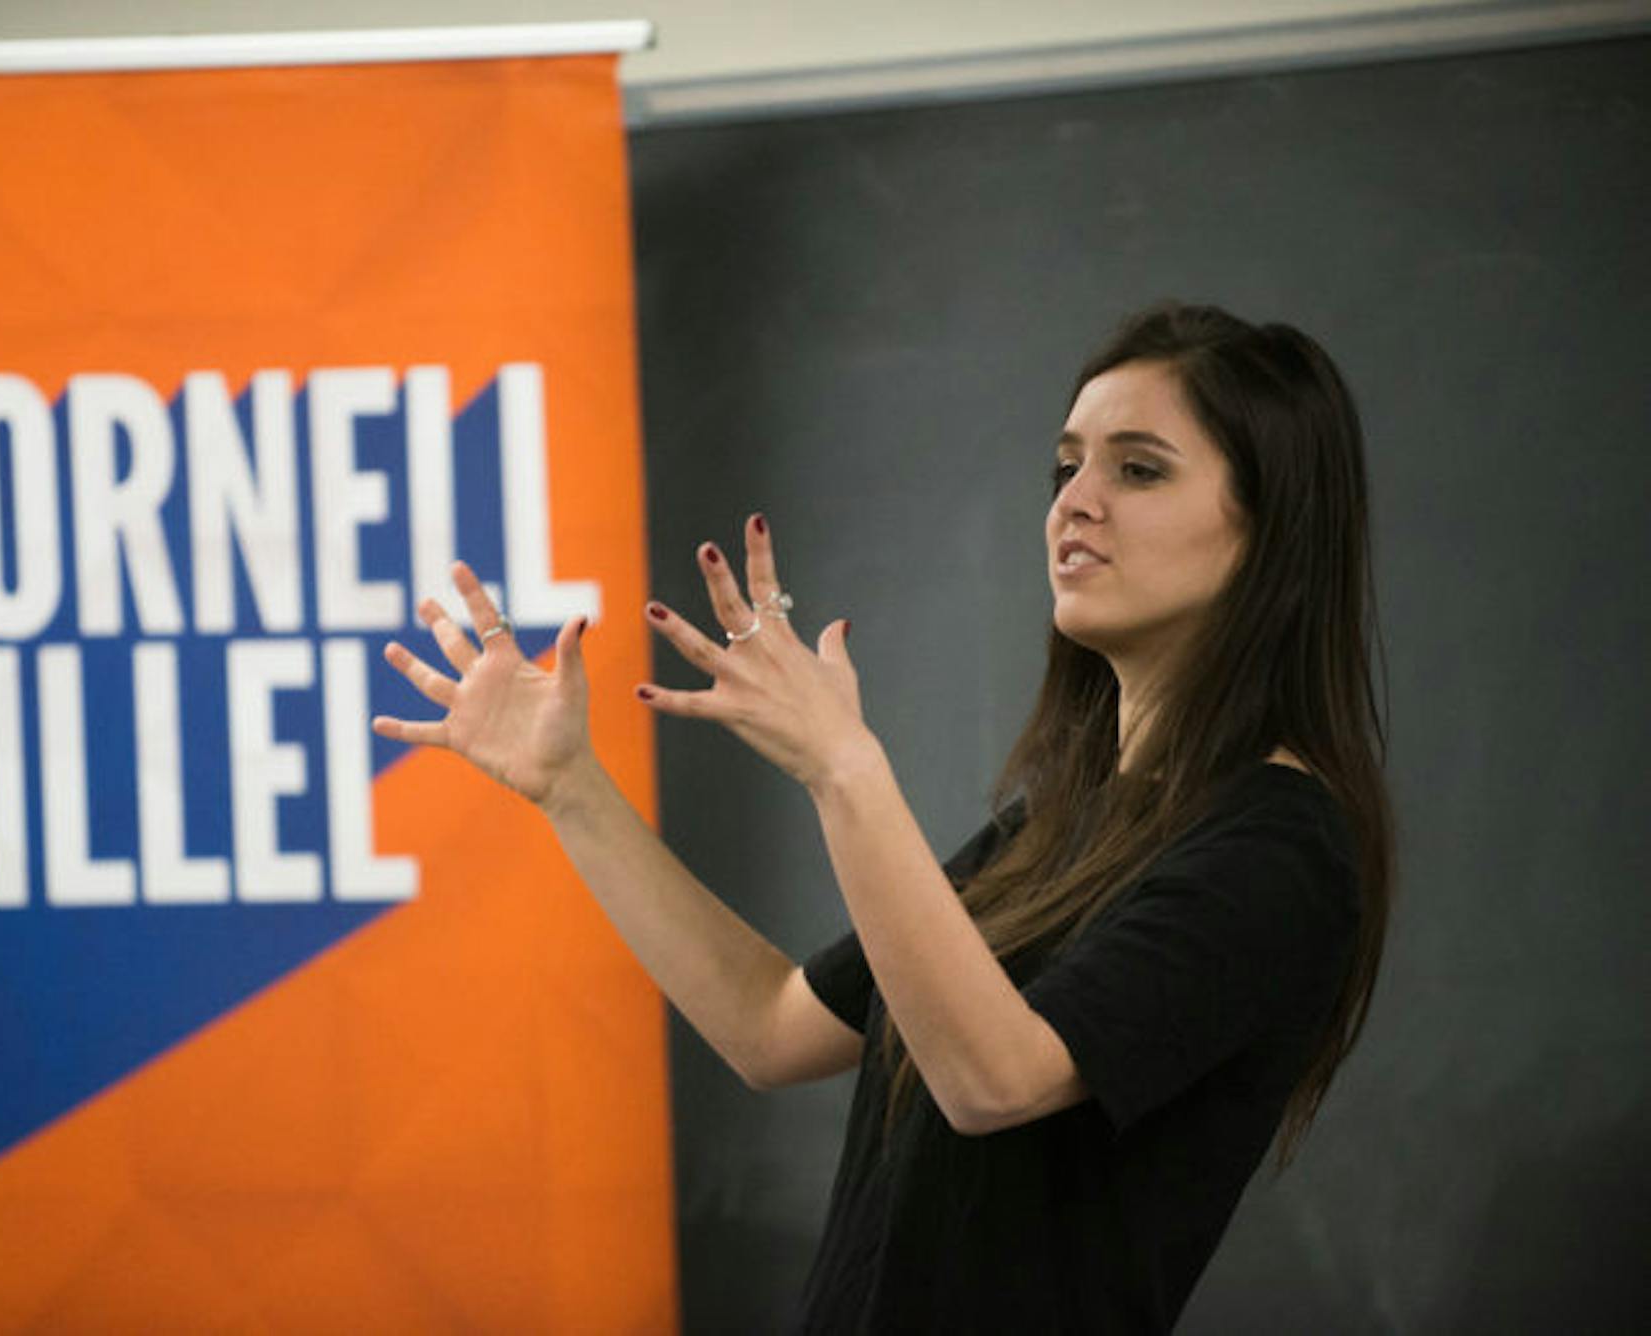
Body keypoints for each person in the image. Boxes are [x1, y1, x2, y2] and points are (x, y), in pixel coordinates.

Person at [371, 300, 1394, 1332]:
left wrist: (842, 766)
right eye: (1064, 466)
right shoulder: (1063, 825)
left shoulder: (1277, 846)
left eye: (1136, 469)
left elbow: (994, 1078)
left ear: (1268, 529)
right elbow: (768, 1026)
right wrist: (569, 788)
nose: (1072, 504)